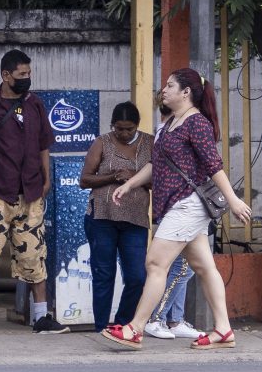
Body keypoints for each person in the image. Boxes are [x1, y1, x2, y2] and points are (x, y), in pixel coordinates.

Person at [101, 68, 251, 350]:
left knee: (155, 263)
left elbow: (213, 165)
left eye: (170, 85)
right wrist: (130, 185)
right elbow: (155, 165)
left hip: (187, 205)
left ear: (186, 93)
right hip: (175, 205)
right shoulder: (169, 123)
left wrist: (233, 200)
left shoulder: (197, 123)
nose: (164, 90)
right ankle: (223, 331)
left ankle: (135, 329)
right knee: (204, 267)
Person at [0, 49, 69, 335]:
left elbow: (44, 145)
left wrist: (46, 180)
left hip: (31, 192)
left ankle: (41, 316)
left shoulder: (35, 104)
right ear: (6, 75)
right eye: (21, 75)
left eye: (29, 74)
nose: (27, 79)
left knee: (35, 255)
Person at [78, 102, 152, 332]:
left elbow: (157, 181)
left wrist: (134, 177)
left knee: (137, 277)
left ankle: (121, 324)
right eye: (118, 128)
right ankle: (101, 327)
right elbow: (84, 180)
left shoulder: (150, 143)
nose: (123, 133)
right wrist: (112, 176)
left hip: (135, 220)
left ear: (137, 126)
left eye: (129, 129)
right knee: (103, 275)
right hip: (102, 218)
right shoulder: (102, 142)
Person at [142, 101, 201, 341]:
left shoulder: (166, 132)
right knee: (181, 268)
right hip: (180, 207)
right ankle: (157, 318)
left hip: (181, 207)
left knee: (186, 266)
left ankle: (174, 319)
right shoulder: (171, 133)